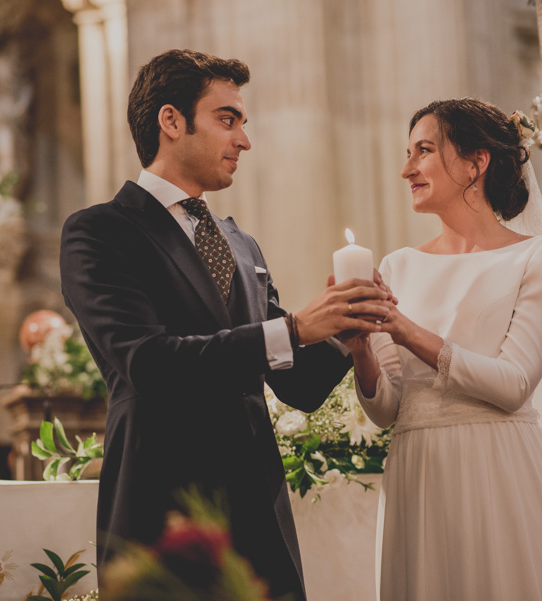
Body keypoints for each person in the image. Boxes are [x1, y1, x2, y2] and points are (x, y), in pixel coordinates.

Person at [59, 49, 392, 600]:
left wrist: (347, 333)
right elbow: (146, 361)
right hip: (164, 503)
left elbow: (297, 387)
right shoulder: (100, 231)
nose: (244, 140)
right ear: (171, 121)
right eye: (227, 119)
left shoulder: (241, 244)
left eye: (242, 123)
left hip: (257, 509)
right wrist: (294, 328)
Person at [344, 98, 542, 600]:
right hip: (418, 471)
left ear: (476, 162)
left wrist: (405, 330)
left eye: (423, 151)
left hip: (498, 468)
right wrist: (361, 347)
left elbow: (513, 385)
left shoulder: (537, 256)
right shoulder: (398, 265)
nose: (406, 169)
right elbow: (386, 410)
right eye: (407, 153)